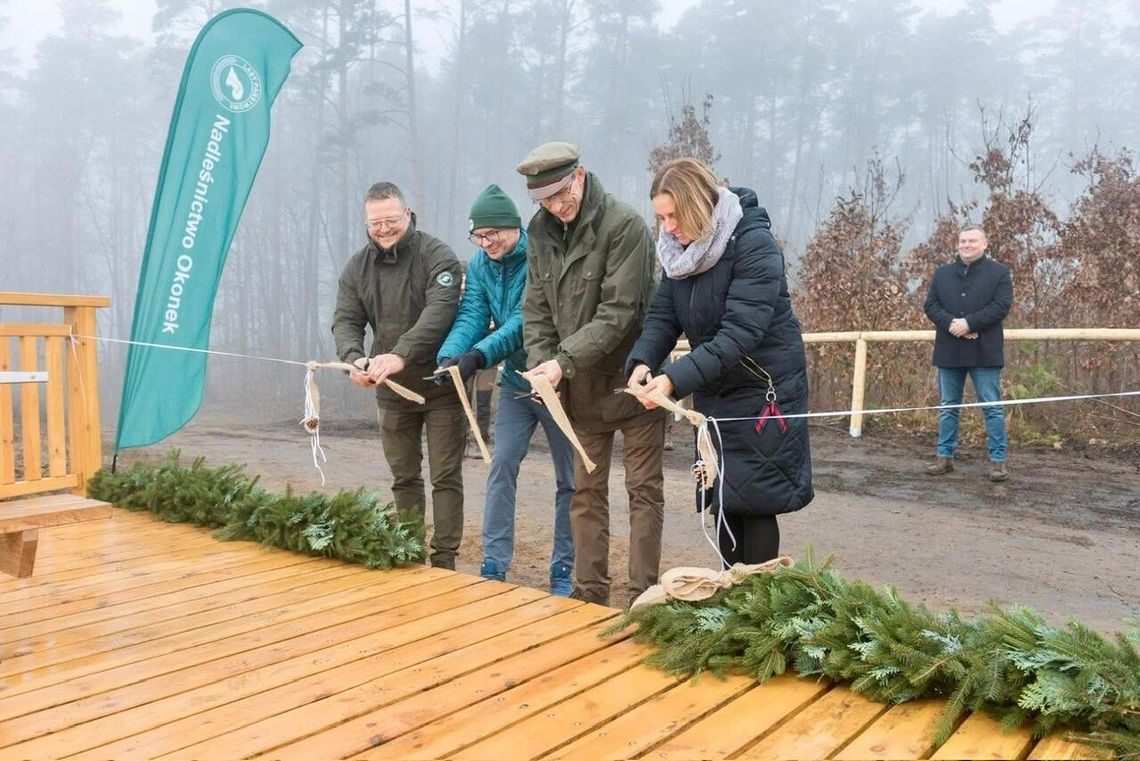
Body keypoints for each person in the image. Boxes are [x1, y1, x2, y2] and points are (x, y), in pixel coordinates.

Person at [625, 157, 813, 567]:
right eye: (661, 218)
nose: (667, 228)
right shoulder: (679, 253)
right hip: (715, 386)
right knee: (723, 496)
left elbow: (739, 334)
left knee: (756, 501)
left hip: (764, 392)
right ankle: (730, 591)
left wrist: (673, 380)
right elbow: (663, 315)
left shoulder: (753, 244)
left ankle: (756, 598)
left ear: (697, 204)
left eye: (673, 216)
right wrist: (643, 360)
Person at [517, 141, 664, 607]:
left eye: (561, 194)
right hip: (579, 391)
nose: (556, 206)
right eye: (544, 200)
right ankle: (588, 596)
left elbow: (619, 312)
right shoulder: (539, 234)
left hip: (635, 381)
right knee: (585, 493)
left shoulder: (625, 226)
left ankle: (643, 599)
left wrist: (562, 362)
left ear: (579, 176)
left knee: (643, 492)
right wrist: (543, 366)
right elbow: (535, 309)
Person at [436, 184, 576, 596]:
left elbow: (521, 323)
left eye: (493, 233)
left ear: (514, 227)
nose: (486, 242)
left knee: (570, 479)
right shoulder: (481, 264)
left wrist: (478, 356)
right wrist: (451, 355)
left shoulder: (538, 256)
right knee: (501, 468)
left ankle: (563, 570)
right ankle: (494, 563)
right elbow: (472, 313)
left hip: (555, 382)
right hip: (516, 383)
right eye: (478, 236)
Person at [332, 181, 466, 569]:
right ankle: (410, 552)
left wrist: (400, 354)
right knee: (404, 476)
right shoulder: (357, 268)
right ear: (366, 222)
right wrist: (354, 359)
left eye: (391, 219)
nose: (384, 229)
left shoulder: (437, 256)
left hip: (440, 386)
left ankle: (445, 560)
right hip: (390, 389)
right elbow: (346, 320)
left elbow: (439, 313)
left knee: (445, 476)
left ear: (407, 214)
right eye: (375, 223)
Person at [923, 224, 1013, 482]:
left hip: (985, 351)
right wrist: (954, 325)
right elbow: (931, 305)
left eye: (972, 241)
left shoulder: (999, 273)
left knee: (992, 407)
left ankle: (998, 461)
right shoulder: (942, 273)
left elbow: (1001, 306)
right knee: (948, 407)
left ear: (984, 244)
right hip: (949, 349)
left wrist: (969, 324)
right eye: (963, 241)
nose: (966, 245)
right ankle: (944, 456)